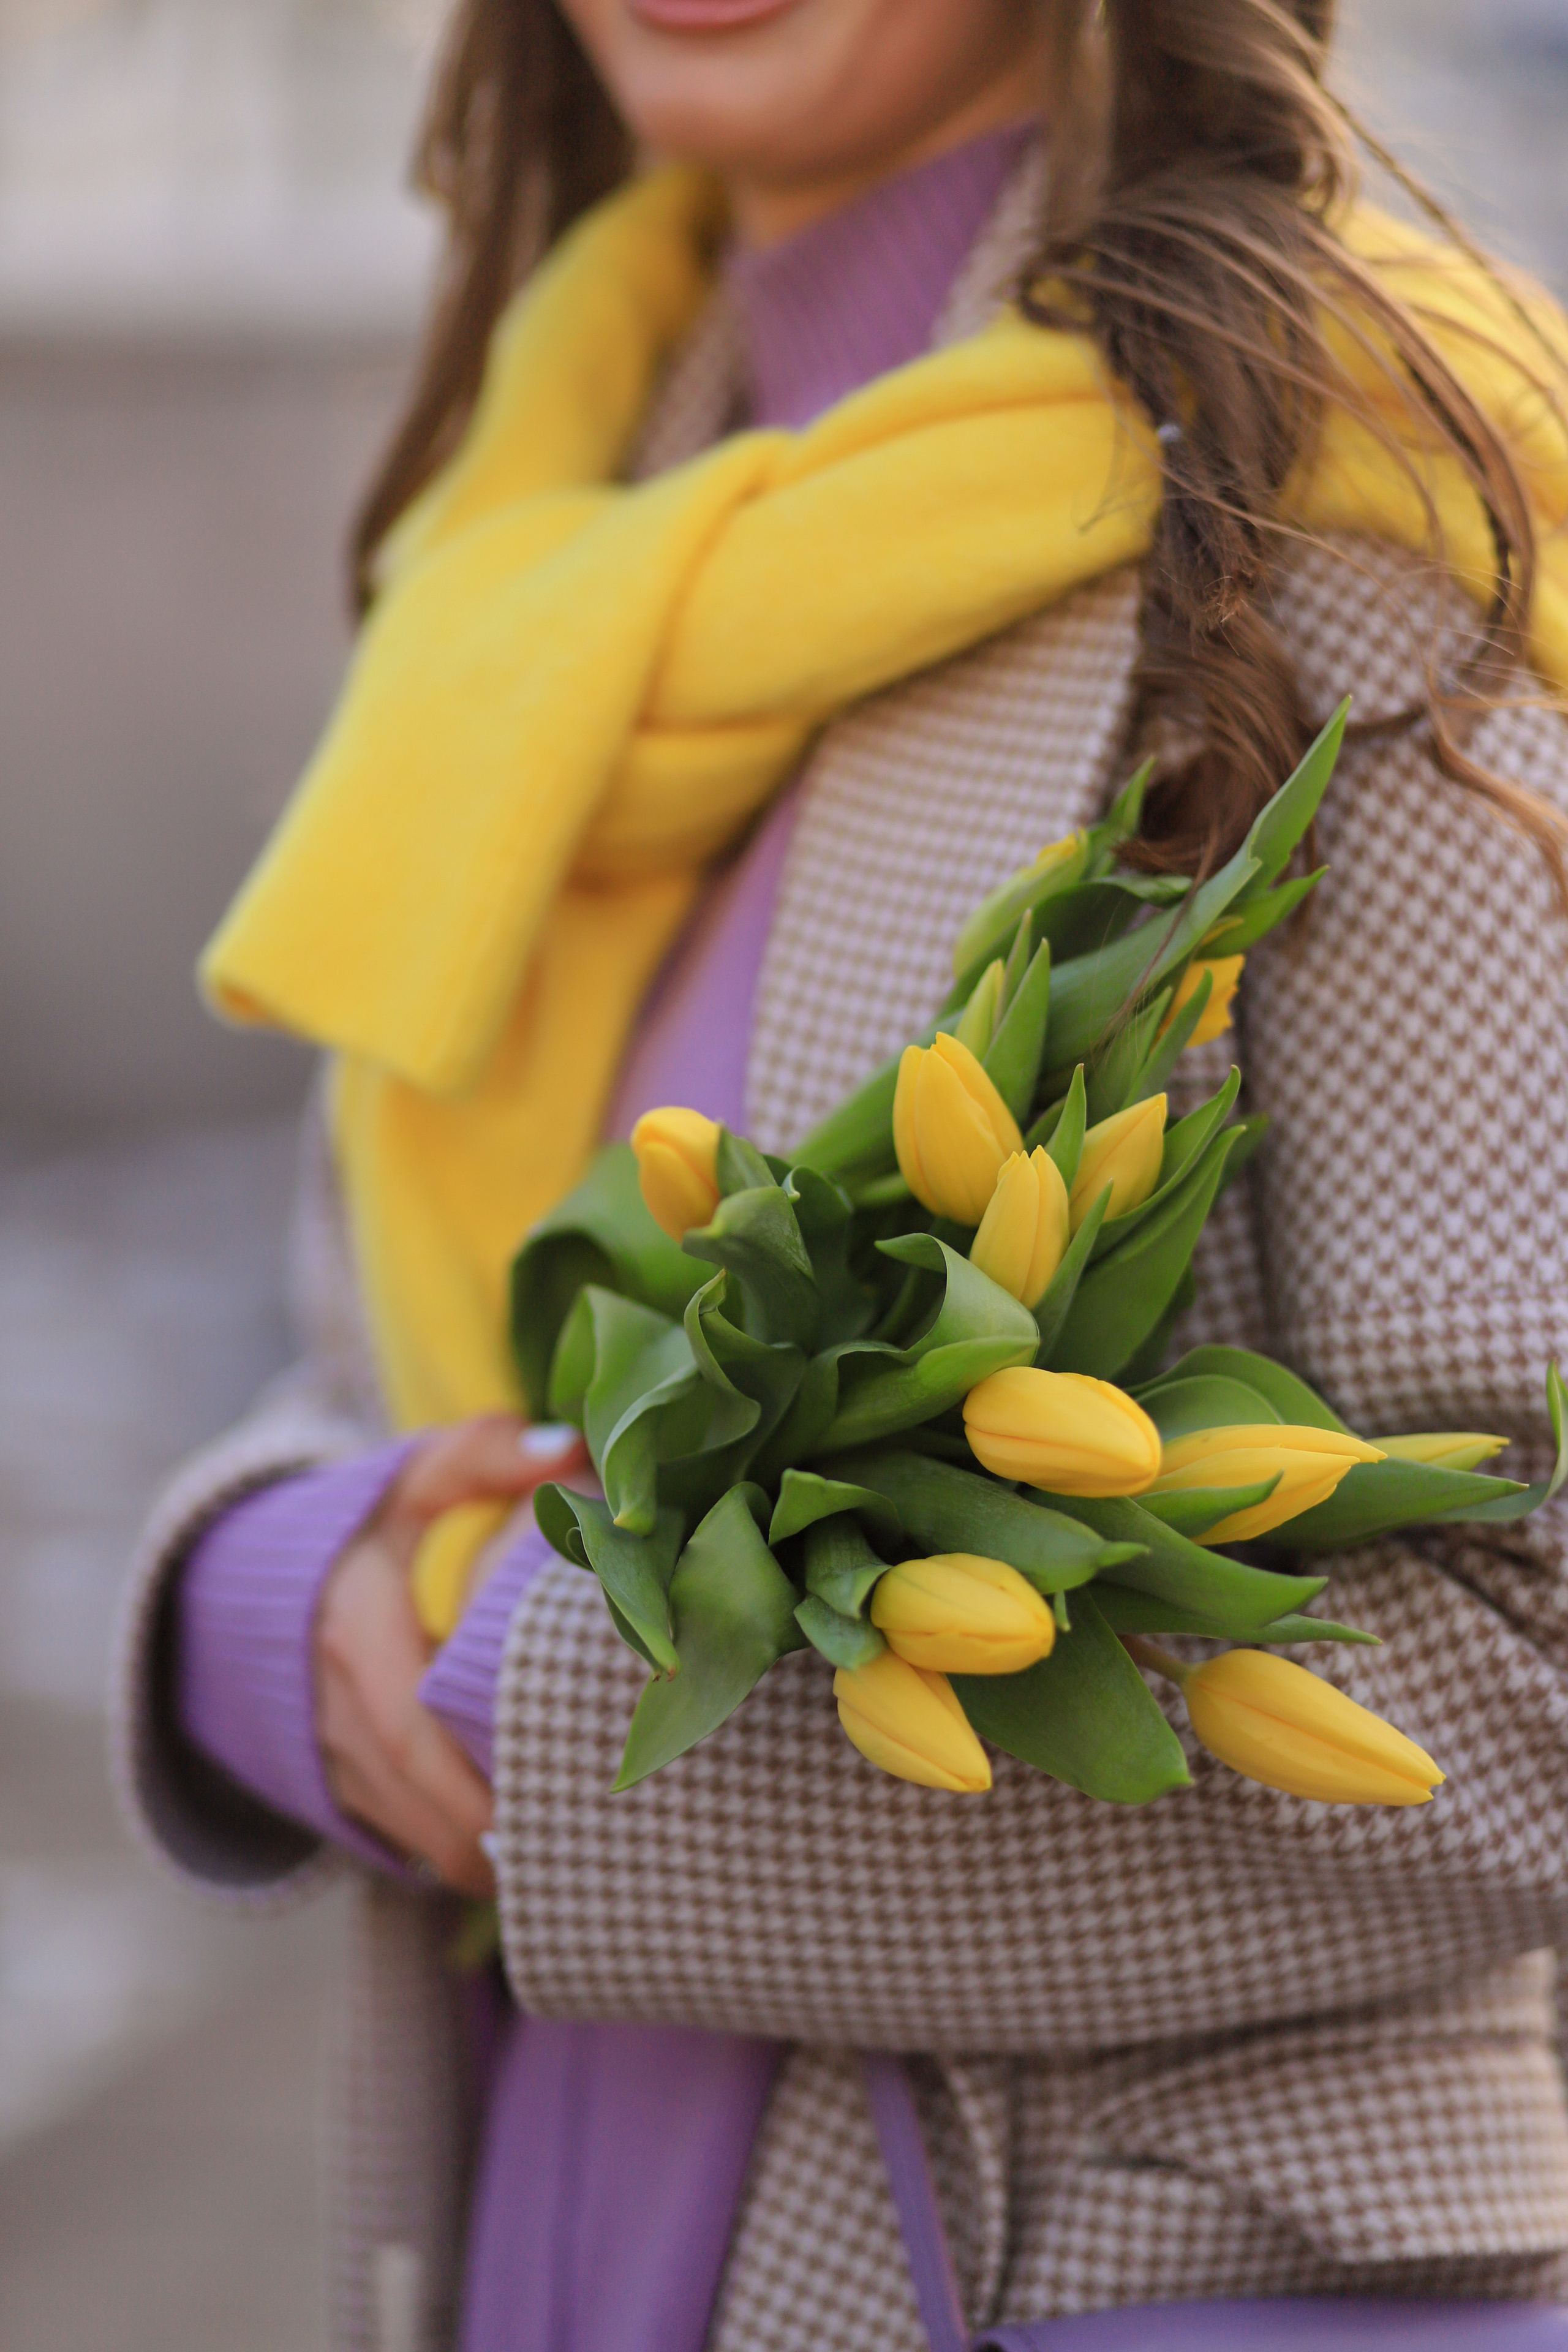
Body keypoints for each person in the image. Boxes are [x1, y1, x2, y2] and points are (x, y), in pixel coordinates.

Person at [113, 2, 1568, 2348]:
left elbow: (1539, 1664)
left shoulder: (1352, 514)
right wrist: (254, 1599)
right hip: (557, 2220)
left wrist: (539, 1722)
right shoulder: (545, 526)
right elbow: (406, 1357)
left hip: (1114, 2275)